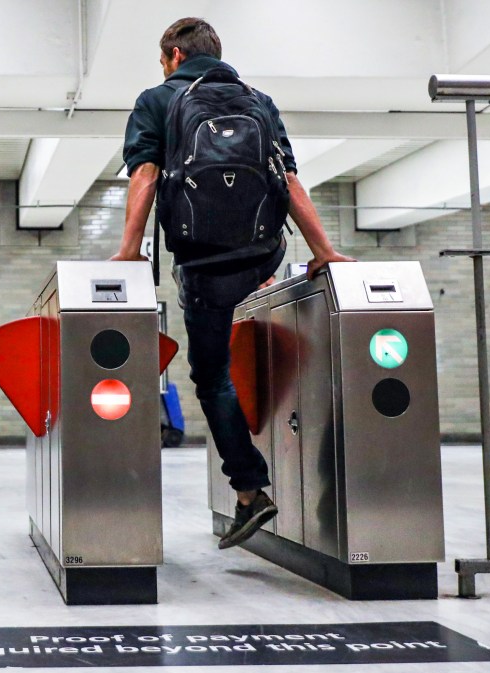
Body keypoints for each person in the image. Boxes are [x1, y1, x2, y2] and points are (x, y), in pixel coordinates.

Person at [111, 17, 353, 549]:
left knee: (212, 375)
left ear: (174, 55)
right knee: (256, 342)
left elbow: (146, 175)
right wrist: (325, 252)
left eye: (162, 58)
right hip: (264, 253)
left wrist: (130, 253)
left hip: (204, 263)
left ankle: (249, 490)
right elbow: (287, 180)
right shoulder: (258, 101)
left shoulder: (158, 99)